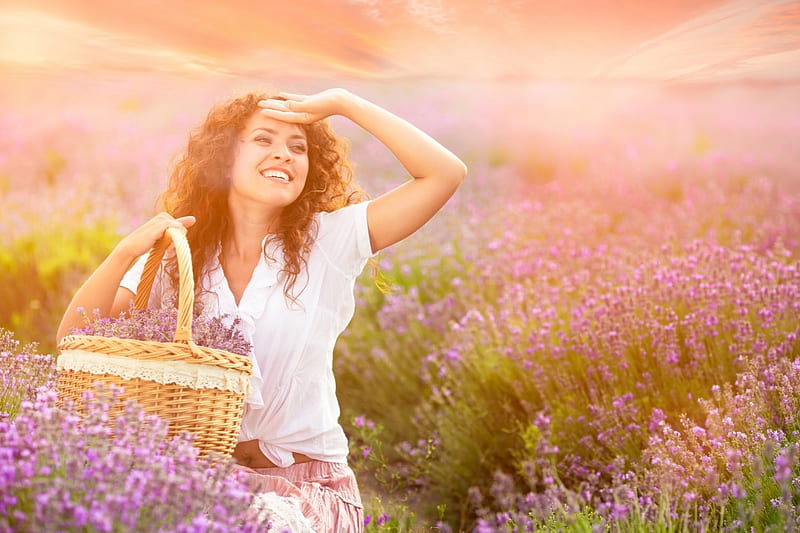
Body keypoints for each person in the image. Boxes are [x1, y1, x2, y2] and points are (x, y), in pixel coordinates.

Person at [56, 88, 467, 532]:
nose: (284, 155)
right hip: (204, 484)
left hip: (310, 492)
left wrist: (346, 104)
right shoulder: (180, 257)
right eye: (264, 140)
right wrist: (122, 254)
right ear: (223, 158)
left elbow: (444, 174)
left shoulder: (329, 241)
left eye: (298, 147)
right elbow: (74, 338)